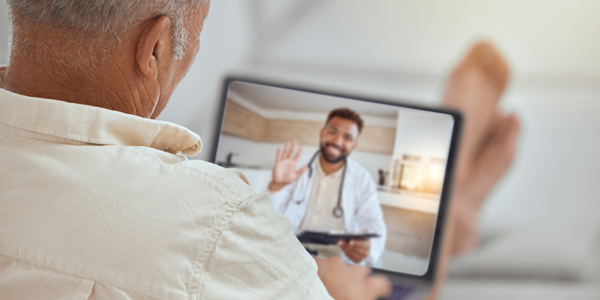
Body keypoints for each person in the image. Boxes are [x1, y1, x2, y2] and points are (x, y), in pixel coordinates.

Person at [0, 0, 520, 299]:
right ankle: (453, 205)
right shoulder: (222, 225)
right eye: (195, 36)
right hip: (298, 261)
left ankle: (450, 209)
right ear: (154, 49)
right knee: (385, 285)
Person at [268, 108, 386, 266]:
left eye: (347, 137)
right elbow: (268, 216)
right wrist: (276, 185)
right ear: (322, 133)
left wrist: (368, 247)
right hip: (293, 248)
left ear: (354, 145)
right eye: (333, 132)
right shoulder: (296, 166)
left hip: (337, 257)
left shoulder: (362, 179)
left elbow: (374, 223)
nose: (337, 141)